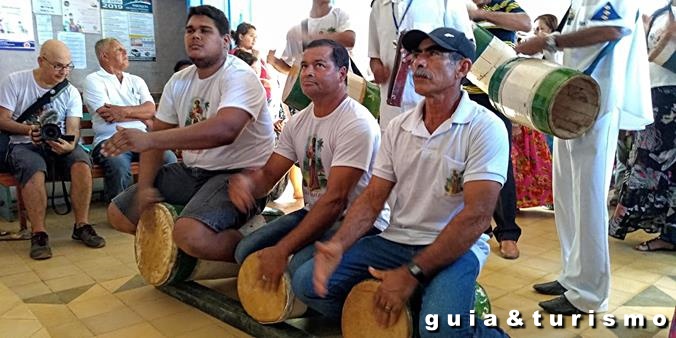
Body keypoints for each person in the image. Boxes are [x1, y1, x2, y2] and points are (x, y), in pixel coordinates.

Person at [294, 28, 509, 337]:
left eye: (433, 54)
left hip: (455, 246)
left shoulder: (484, 127)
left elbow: (476, 216)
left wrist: (412, 273)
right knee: (308, 285)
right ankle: (414, 315)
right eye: (416, 54)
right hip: (396, 241)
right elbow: (372, 199)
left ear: (463, 68)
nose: (419, 63)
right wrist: (338, 244)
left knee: (440, 331)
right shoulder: (398, 126)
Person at [103, 5, 275, 262]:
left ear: (226, 41)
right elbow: (157, 141)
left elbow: (225, 130)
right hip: (193, 172)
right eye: (190, 30)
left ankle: (259, 246)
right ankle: (195, 247)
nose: (195, 36)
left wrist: (148, 138)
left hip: (239, 175)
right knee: (120, 214)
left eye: (205, 31)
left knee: (190, 235)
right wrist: (145, 188)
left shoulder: (240, 76)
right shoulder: (180, 80)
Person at [516, 0, 653, 314]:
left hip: (596, 102)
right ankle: (572, 277)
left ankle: (590, 293)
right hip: (571, 95)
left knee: (588, 200)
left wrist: (550, 40)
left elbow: (614, 28)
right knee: (567, 195)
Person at [230, 39, 388, 290]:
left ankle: (362, 286)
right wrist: (245, 183)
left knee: (298, 274)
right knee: (245, 252)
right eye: (304, 66)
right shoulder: (297, 122)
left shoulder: (356, 123)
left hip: (353, 221)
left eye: (319, 65)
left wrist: (283, 249)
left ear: (342, 74)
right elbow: (270, 174)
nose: (308, 72)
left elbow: (336, 201)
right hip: (314, 212)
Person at [0, 40, 105, 260]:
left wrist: (70, 144)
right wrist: (29, 130)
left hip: (59, 143)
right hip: (23, 144)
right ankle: (39, 233)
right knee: (33, 167)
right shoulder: (15, 81)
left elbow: (73, 128)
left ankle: (82, 225)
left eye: (68, 66)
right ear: (41, 61)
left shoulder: (70, 91)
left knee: (81, 162)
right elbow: (3, 120)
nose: (64, 72)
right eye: (58, 66)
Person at [465, 0, 531, 260]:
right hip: (464, 96)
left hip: (496, 96)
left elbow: (525, 23)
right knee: (465, 163)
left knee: (500, 164)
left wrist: (479, 15)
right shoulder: (458, 8)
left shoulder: (505, 4)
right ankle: (480, 229)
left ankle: (508, 234)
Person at [608, 1, 675, 252]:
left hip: (671, 96)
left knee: (658, 165)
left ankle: (670, 235)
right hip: (654, 94)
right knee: (646, 162)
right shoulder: (660, 13)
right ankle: (667, 234)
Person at [83, 38, 177, 202]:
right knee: (118, 164)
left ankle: (163, 205)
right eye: (119, 50)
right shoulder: (93, 80)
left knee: (168, 157)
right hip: (110, 139)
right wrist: (138, 113)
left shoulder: (136, 80)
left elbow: (151, 109)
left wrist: (122, 111)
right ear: (105, 56)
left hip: (141, 137)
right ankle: (120, 210)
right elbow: (107, 114)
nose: (126, 53)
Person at [369, 0, 474, 131]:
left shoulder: (446, 2)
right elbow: (374, 54)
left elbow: (467, 48)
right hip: (391, 108)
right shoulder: (380, 5)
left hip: (436, 108)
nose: (419, 60)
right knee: (393, 143)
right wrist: (377, 69)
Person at [267, 0, 355, 75]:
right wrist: (275, 62)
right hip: (315, 92)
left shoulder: (340, 15)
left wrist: (312, 37)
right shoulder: (296, 31)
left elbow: (349, 39)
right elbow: (293, 70)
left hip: (343, 89)